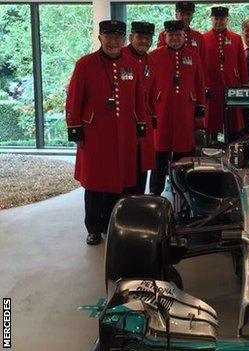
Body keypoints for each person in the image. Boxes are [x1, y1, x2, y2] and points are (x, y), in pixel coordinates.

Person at [65, 20, 147, 245]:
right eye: (108, 37)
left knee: (117, 181)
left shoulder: (131, 64)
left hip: (124, 133)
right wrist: (75, 129)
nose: (113, 42)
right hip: (95, 134)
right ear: (100, 37)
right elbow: (74, 99)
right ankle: (93, 228)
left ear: (124, 39)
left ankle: (113, 224)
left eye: (117, 37)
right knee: (94, 182)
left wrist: (141, 125)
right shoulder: (85, 64)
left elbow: (140, 99)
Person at [149, 20, 206, 196]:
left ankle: (185, 192)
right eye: (171, 35)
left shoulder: (194, 56)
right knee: (159, 156)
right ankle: (155, 193)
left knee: (184, 154)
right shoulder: (154, 56)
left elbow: (199, 84)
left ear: (184, 36)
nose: (175, 38)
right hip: (162, 112)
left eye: (178, 35)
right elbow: (148, 86)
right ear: (165, 36)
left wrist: (199, 112)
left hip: (185, 112)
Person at [203, 6, 248, 142]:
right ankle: (212, 148)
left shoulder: (236, 38)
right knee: (211, 121)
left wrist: (244, 85)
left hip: (232, 85)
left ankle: (233, 149)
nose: (219, 22)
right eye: (216, 19)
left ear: (227, 20)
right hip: (211, 85)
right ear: (211, 19)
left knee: (233, 122)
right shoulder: (203, 38)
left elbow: (242, 63)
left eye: (222, 19)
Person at [121, 21, 157, 195]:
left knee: (142, 164)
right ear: (130, 38)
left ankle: (139, 204)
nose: (144, 41)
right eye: (140, 37)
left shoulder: (150, 60)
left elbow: (152, 93)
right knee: (125, 165)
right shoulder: (120, 56)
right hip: (124, 121)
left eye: (147, 38)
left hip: (144, 121)